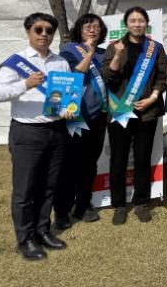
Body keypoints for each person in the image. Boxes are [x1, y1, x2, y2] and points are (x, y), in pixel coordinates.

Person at [0, 12, 73, 260]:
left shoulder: (60, 62)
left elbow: (65, 96)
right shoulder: (15, 62)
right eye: (38, 29)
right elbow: (0, 94)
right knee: (25, 189)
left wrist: (68, 108)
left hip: (56, 130)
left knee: (49, 186)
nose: (44, 34)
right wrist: (25, 84)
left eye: (49, 30)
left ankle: (42, 231)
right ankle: (25, 239)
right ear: (28, 31)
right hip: (27, 131)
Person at [101, 6, 167, 225]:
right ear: (126, 24)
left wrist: (153, 97)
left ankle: (141, 202)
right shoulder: (114, 47)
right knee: (118, 161)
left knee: (142, 159)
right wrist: (118, 56)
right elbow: (107, 77)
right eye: (133, 20)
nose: (137, 24)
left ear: (146, 24)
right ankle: (119, 205)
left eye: (141, 20)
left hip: (146, 112)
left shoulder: (155, 48)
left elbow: (163, 76)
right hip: (120, 111)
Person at [53, 14, 109, 230]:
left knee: (89, 164)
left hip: (98, 117)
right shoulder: (68, 51)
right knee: (70, 165)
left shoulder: (104, 53)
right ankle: (62, 210)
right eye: (88, 26)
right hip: (75, 117)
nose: (93, 30)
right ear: (80, 30)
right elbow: (74, 76)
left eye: (96, 27)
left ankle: (83, 205)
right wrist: (89, 53)